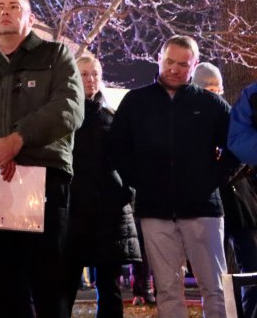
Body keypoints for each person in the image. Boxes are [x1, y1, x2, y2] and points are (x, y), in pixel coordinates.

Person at [0, 0, 83, 318]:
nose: (5, 12)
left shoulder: (55, 56)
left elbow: (68, 107)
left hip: (45, 181)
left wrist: (19, 138)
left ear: (31, 18)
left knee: (48, 284)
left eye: (14, 7)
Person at [110, 35, 236, 318]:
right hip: (155, 210)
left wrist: (212, 180)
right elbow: (117, 148)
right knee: (167, 289)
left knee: (214, 289)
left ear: (194, 65)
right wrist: (139, 181)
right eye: (169, 61)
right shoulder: (136, 102)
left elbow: (235, 145)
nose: (174, 69)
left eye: (182, 64)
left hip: (203, 209)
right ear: (159, 59)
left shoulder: (210, 104)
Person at [63, 56, 141, 317]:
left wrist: (125, 192)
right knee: (65, 284)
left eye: (95, 74)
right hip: (75, 209)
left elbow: (127, 159)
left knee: (110, 286)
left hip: (109, 211)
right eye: (84, 74)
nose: (91, 80)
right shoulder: (64, 117)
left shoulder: (111, 117)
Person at [194, 65, 257, 318]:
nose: (213, 94)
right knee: (213, 270)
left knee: (251, 265)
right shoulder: (192, 122)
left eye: (216, 88)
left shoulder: (232, 117)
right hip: (209, 203)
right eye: (207, 89)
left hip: (239, 202)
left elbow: (242, 153)